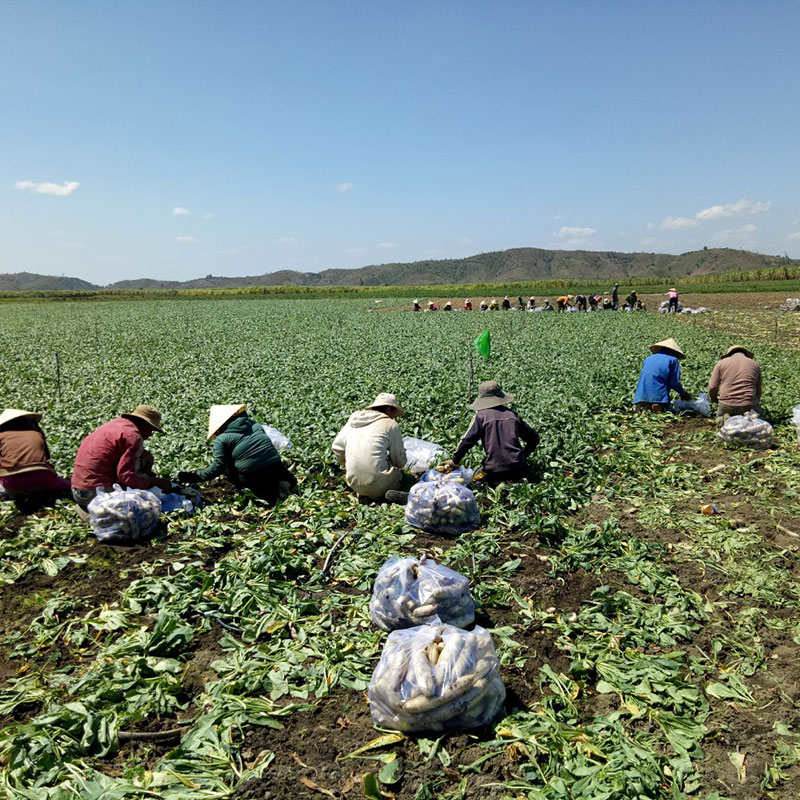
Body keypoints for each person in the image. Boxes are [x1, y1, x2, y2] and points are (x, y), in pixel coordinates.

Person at [177, 404, 296, 505]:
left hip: (254, 474)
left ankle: (262, 493)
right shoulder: (254, 424)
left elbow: (217, 467)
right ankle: (284, 481)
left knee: (228, 471)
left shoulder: (222, 439)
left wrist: (195, 477)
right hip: (277, 466)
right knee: (277, 474)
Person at [71, 405, 172, 513]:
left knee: (145, 456)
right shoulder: (133, 436)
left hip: (77, 490)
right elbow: (126, 476)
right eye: (151, 429)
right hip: (95, 494)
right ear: (144, 424)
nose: (151, 435)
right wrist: (153, 482)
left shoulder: (116, 425)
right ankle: (94, 510)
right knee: (141, 509)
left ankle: (85, 507)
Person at [442, 381, 539, 487]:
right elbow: (534, 438)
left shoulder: (481, 417)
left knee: (473, 482)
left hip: (494, 469)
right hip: (519, 467)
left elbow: (467, 441)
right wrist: (523, 455)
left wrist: (455, 459)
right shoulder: (513, 415)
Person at [332, 393, 408, 503]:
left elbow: (337, 447)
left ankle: (364, 492)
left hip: (354, 483)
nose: (394, 417)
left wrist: (347, 464)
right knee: (402, 477)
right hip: (380, 484)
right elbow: (399, 462)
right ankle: (384, 494)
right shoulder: (390, 424)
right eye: (394, 413)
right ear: (388, 409)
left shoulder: (354, 421)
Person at [0, 409, 71, 509]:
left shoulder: (1, 436)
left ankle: (14, 493)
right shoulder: (36, 433)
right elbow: (47, 457)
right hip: (43, 478)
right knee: (69, 486)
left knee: (9, 486)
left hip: (12, 482)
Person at [633, 339, 693, 412]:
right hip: (659, 394)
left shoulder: (649, 358)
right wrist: (683, 394)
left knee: (645, 410)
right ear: (674, 352)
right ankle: (659, 406)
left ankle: (644, 406)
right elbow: (674, 382)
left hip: (640, 394)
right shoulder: (672, 360)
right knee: (671, 411)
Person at [708, 345, 763, 423]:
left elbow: (712, 386)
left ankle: (724, 419)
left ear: (729, 354)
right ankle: (749, 417)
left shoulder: (721, 363)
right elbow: (758, 388)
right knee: (759, 419)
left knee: (719, 419)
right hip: (748, 403)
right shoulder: (755, 364)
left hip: (727, 404)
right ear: (745, 354)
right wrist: (754, 401)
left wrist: (714, 398)